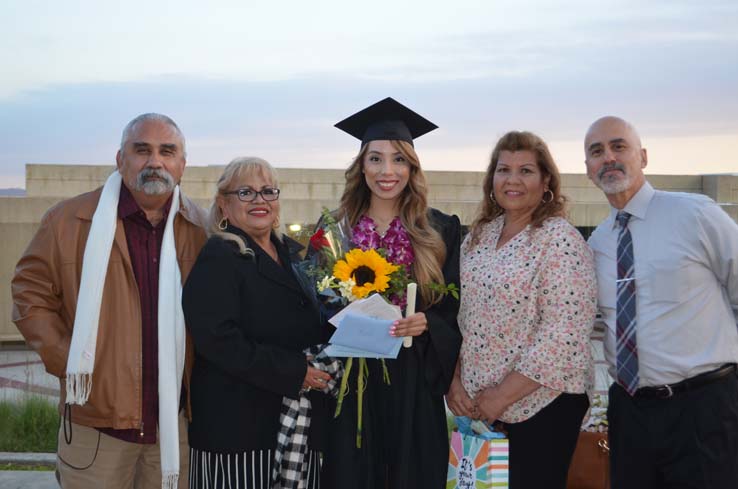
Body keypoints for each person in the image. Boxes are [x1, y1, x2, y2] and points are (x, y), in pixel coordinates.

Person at [11, 113, 207, 489]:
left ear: (182, 165)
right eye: (141, 150)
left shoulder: (199, 228)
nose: (155, 161)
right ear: (120, 159)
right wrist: (69, 360)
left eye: (167, 151)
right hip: (96, 427)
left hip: (174, 428)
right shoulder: (69, 220)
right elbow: (29, 293)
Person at [585, 116, 738, 489]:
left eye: (618, 146)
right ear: (587, 169)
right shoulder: (596, 244)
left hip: (702, 407)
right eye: (596, 151)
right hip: (630, 412)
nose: (608, 158)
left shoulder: (696, 215)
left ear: (644, 156)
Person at [320, 97, 462, 489]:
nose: (388, 171)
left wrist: (428, 323)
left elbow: (455, 309)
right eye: (376, 158)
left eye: (399, 159)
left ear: (412, 168)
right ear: (360, 166)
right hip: (352, 385)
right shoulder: (336, 231)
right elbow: (315, 307)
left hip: (414, 382)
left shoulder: (440, 230)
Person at [449, 131, 597, 488]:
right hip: (477, 412)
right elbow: (460, 314)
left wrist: (500, 397)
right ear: (491, 180)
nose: (512, 180)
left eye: (526, 170)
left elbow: (564, 334)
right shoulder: (479, 237)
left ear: (546, 180)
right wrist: (454, 380)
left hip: (541, 408)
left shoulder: (559, 239)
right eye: (503, 170)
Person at [182, 157, 336, 489]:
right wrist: (296, 372)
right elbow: (218, 341)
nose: (260, 200)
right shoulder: (220, 257)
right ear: (224, 204)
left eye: (268, 191)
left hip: (294, 426)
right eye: (246, 192)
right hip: (237, 430)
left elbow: (315, 319)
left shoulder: (294, 255)